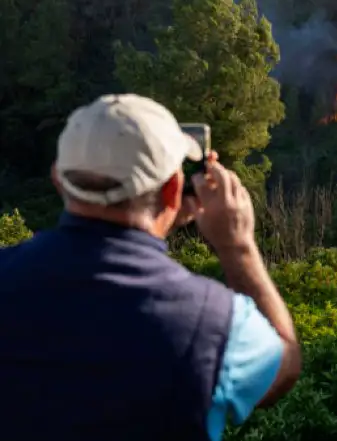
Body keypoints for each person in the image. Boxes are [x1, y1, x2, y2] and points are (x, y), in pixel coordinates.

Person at [0, 94, 302, 441]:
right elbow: (283, 366)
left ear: (58, 178)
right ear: (174, 188)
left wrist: (164, 213)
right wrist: (238, 247)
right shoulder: (214, 323)